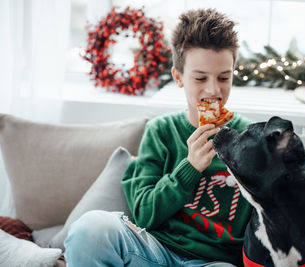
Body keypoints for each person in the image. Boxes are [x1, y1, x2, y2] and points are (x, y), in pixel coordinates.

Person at [64, 8, 253, 267]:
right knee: (90, 228)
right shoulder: (161, 132)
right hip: (152, 252)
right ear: (178, 77)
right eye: (200, 78)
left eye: (224, 77)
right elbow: (143, 214)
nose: (213, 90)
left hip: (212, 261)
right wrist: (189, 168)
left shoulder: (249, 139)